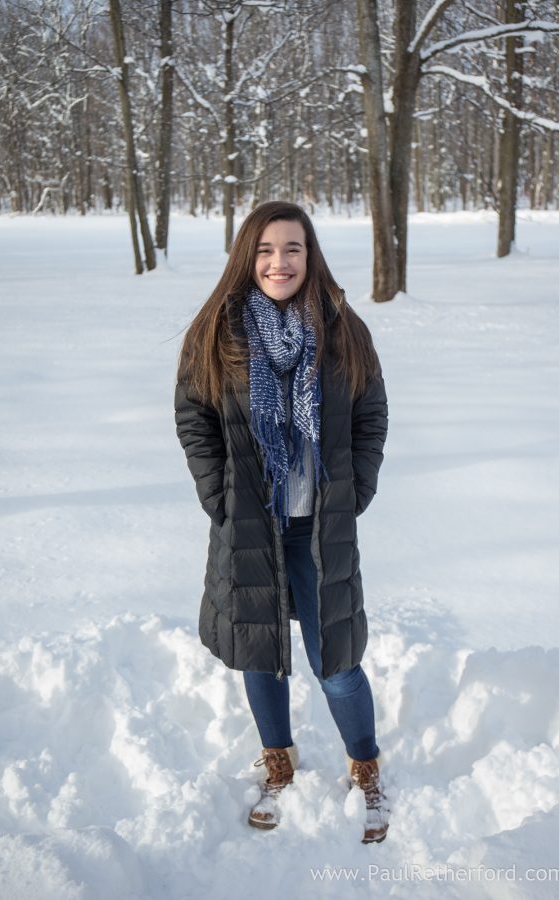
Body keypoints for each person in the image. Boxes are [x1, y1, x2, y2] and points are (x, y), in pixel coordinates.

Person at [174, 200, 389, 843]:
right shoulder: (216, 331)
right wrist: (220, 496)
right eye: (265, 250)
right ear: (247, 256)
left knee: (338, 662)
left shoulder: (342, 329)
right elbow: (195, 421)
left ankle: (366, 766)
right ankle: (278, 763)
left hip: (320, 525)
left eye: (292, 248)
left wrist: (357, 489)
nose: (279, 262)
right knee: (260, 656)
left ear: (310, 254)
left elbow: (372, 413)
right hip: (249, 523)